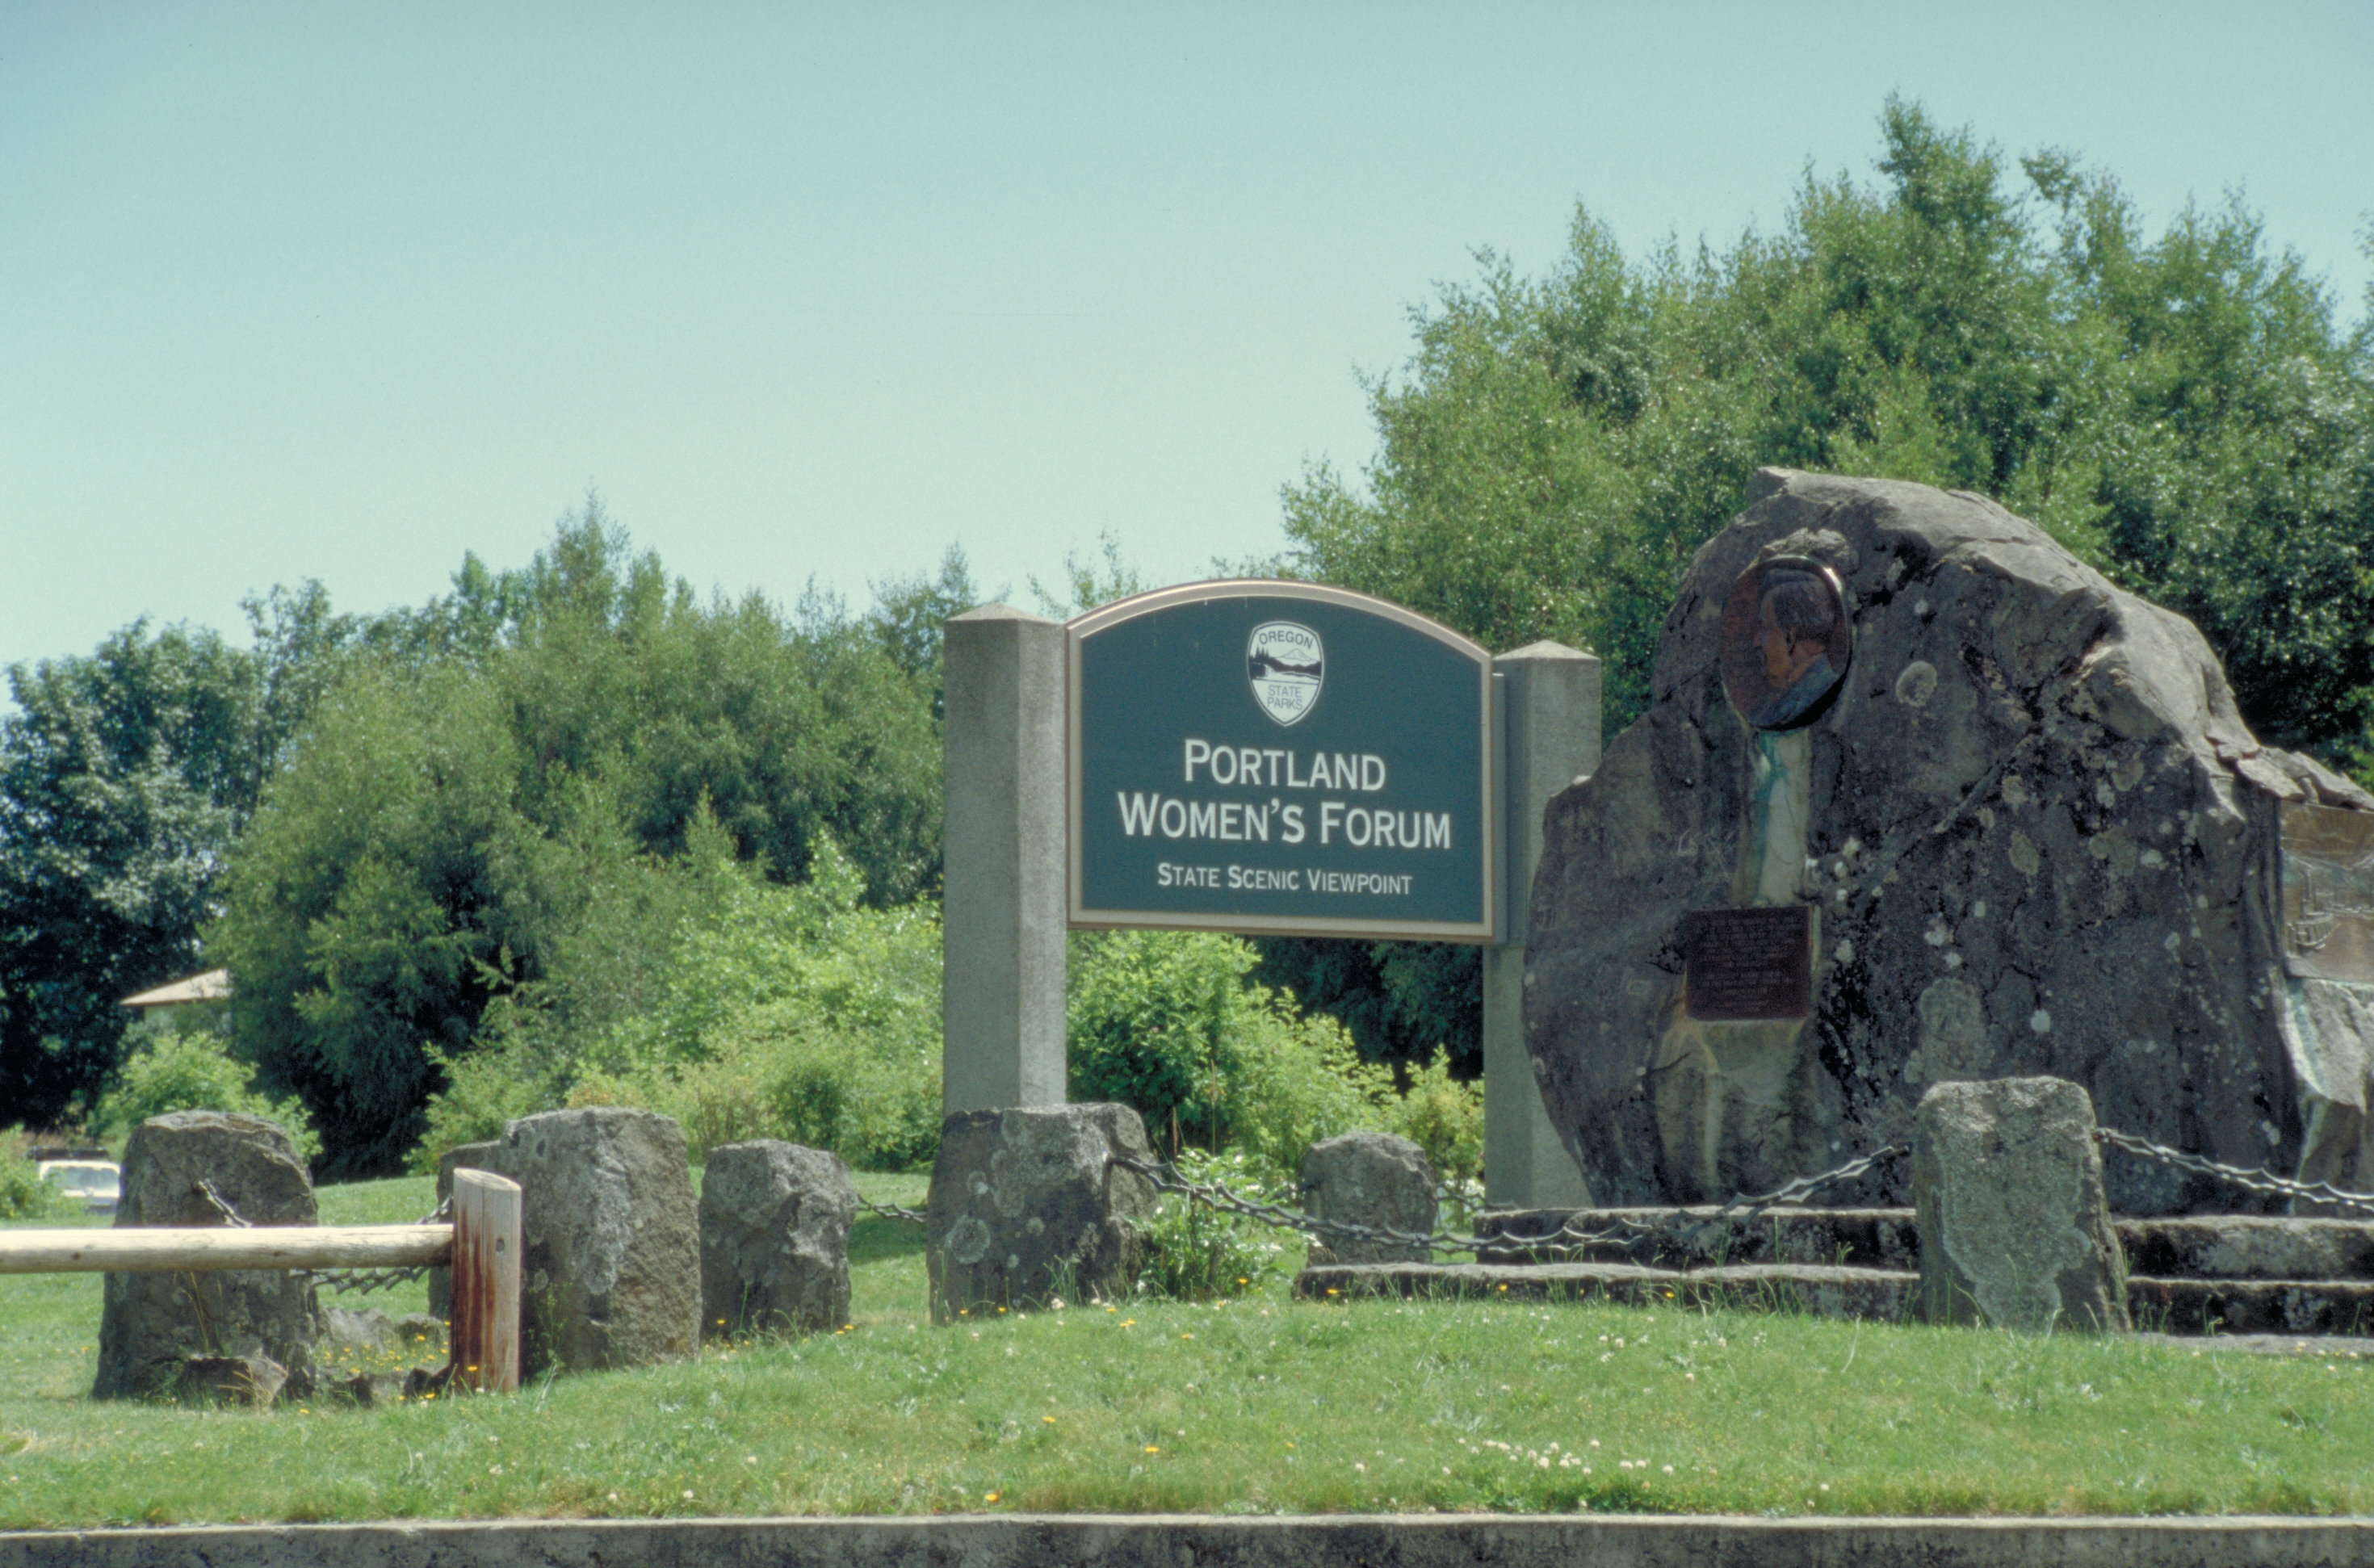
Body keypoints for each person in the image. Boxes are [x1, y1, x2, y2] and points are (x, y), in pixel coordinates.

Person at [1748, 568, 1839, 728]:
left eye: (1765, 627)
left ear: (1789, 638)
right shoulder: (1787, 699)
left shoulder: (1811, 695)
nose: (1756, 641)